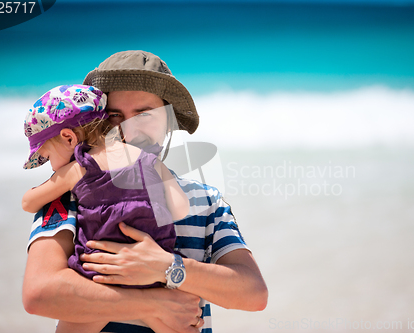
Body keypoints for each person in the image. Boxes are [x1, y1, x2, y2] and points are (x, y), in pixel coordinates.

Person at [22, 51, 268, 333]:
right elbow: (39, 293)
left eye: (145, 114)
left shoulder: (206, 201)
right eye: (115, 116)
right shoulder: (71, 193)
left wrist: (167, 266)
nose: (129, 129)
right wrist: (151, 304)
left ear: (168, 120)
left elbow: (254, 294)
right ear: (96, 121)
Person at [22, 84, 190, 333]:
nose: (49, 164)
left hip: (100, 275)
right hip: (153, 274)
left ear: (68, 137)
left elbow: (29, 202)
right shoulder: (150, 160)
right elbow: (180, 209)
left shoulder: (80, 168)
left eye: (46, 155)